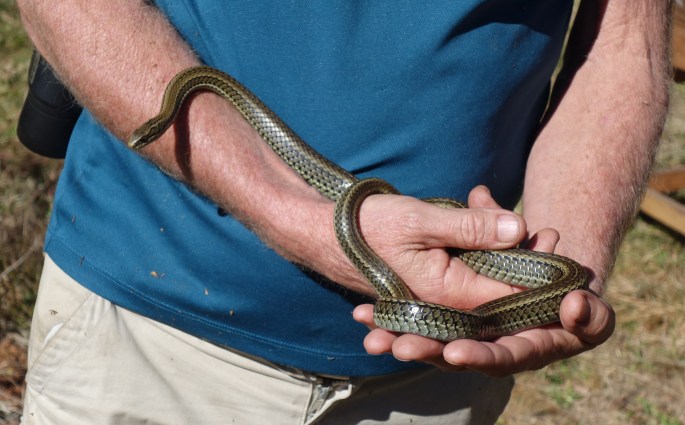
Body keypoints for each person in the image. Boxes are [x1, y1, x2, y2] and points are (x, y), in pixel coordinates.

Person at [16, 1, 670, 424]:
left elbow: (624, 41)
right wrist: (307, 224)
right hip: (147, 341)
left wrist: (566, 277)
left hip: (438, 379)